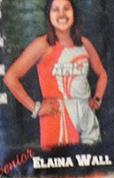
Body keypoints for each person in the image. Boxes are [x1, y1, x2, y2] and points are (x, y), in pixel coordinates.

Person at [2, 0, 106, 149]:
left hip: (87, 118)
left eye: (66, 8)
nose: (62, 14)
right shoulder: (42, 45)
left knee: (93, 169)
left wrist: (97, 99)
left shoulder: (85, 43)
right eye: (56, 10)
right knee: (63, 170)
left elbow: (102, 74)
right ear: (48, 15)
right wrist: (35, 108)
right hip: (58, 119)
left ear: (74, 12)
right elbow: (10, 77)